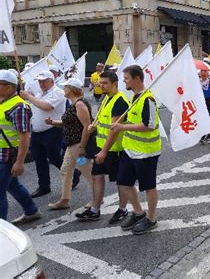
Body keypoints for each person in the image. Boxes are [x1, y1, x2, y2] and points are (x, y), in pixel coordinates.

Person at [111, 65, 161, 235]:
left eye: (126, 78)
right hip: (130, 150)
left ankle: (151, 219)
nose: (124, 81)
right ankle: (139, 212)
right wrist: (123, 126)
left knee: (148, 186)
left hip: (146, 152)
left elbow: (150, 125)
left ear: (137, 79)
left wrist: (123, 128)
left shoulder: (148, 99)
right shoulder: (135, 98)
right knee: (123, 182)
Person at [76, 71, 130, 223]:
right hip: (101, 147)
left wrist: (104, 151)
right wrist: (95, 127)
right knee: (97, 177)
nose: (101, 85)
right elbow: (103, 120)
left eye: (105, 83)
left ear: (115, 84)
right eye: (100, 82)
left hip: (114, 149)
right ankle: (95, 209)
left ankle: (122, 209)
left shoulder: (120, 101)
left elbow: (113, 130)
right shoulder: (106, 98)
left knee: (121, 181)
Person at [19, 70, 80, 198]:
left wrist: (30, 97)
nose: (41, 83)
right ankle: (44, 186)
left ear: (51, 80)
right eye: (39, 81)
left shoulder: (57, 92)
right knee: (39, 159)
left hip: (52, 130)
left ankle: (74, 174)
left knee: (54, 157)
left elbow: (47, 107)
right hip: (37, 131)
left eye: (44, 81)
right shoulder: (40, 93)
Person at [0, 70, 42, 224]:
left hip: (7, 155)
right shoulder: (3, 102)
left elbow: (24, 136)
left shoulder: (19, 107)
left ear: (10, 87)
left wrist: (19, 162)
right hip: (2, 152)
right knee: (12, 185)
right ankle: (31, 210)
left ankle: (2, 231)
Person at [45, 78, 94, 210]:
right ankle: (64, 199)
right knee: (65, 170)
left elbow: (86, 126)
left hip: (78, 145)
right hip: (71, 145)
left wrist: (82, 147)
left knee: (87, 171)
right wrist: (53, 123)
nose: (63, 89)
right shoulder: (74, 103)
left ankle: (97, 199)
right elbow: (70, 122)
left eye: (65, 87)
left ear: (72, 89)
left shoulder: (79, 105)